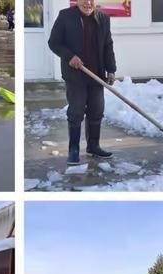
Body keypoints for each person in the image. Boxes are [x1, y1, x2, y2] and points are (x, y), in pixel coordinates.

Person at [48, 0, 117, 165]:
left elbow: (108, 45)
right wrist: (69, 56)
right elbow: (54, 43)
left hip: (97, 74)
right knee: (76, 113)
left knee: (96, 111)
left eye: (91, 0)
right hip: (75, 75)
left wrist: (111, 69)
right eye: (84, 0)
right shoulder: (66, 16)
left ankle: (93, 146)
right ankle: (74, 149)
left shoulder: (103, 19)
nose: (88, 3)